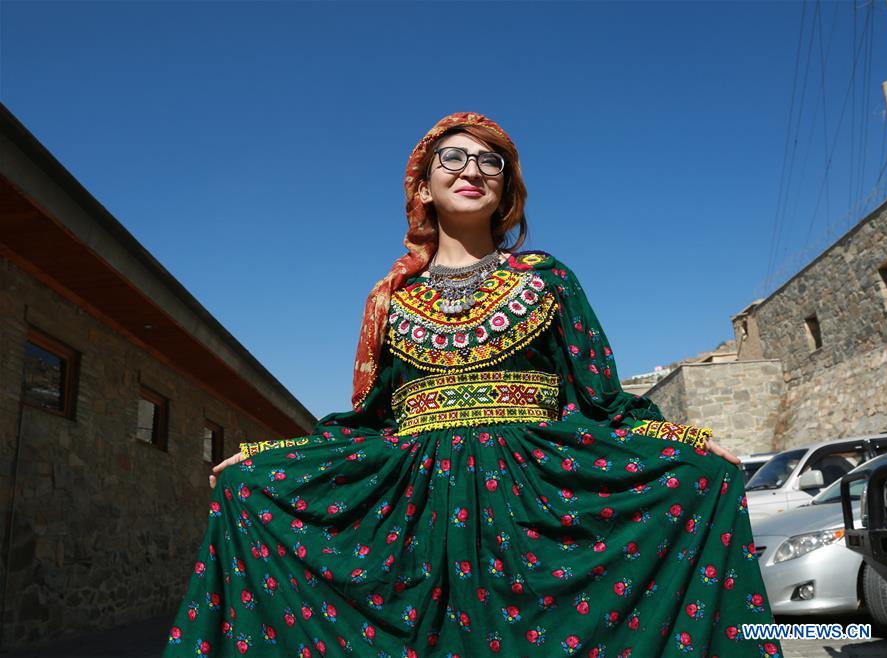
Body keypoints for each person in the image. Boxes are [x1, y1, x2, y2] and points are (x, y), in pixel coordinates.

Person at [163, 112, 783, 658]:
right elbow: (371, 421)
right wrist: (274, 457)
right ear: (423, 185)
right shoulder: (390, 299)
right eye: (453, 158)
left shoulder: (546, 278)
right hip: (418, 513)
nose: (472, 170)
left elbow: (601, 397)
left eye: (491, 162)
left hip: (534, 505)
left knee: (702, 481)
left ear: (506, 188)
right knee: (248, 492)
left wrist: (681, 441)